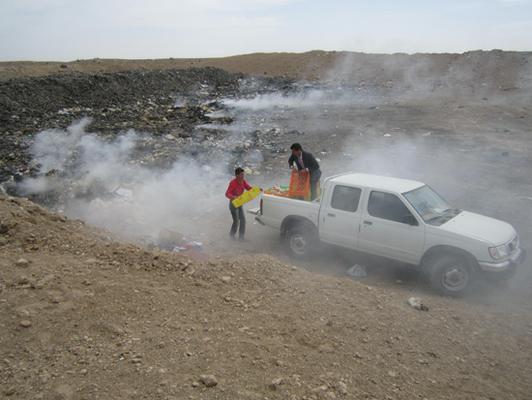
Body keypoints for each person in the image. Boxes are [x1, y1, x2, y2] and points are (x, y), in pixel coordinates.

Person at [225, 167, 253, 241]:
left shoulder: (243, 181)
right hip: (233, 203)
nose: (243, 176)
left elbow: (248, 188)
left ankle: (241, 237)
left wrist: (256, 190)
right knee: (236, 221)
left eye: (243, 174)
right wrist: (233, 197)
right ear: (237, 175)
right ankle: (231, 236)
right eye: (241, 174)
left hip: (240, 202)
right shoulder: (233, 183)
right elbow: (227, 193)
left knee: (243, 220)